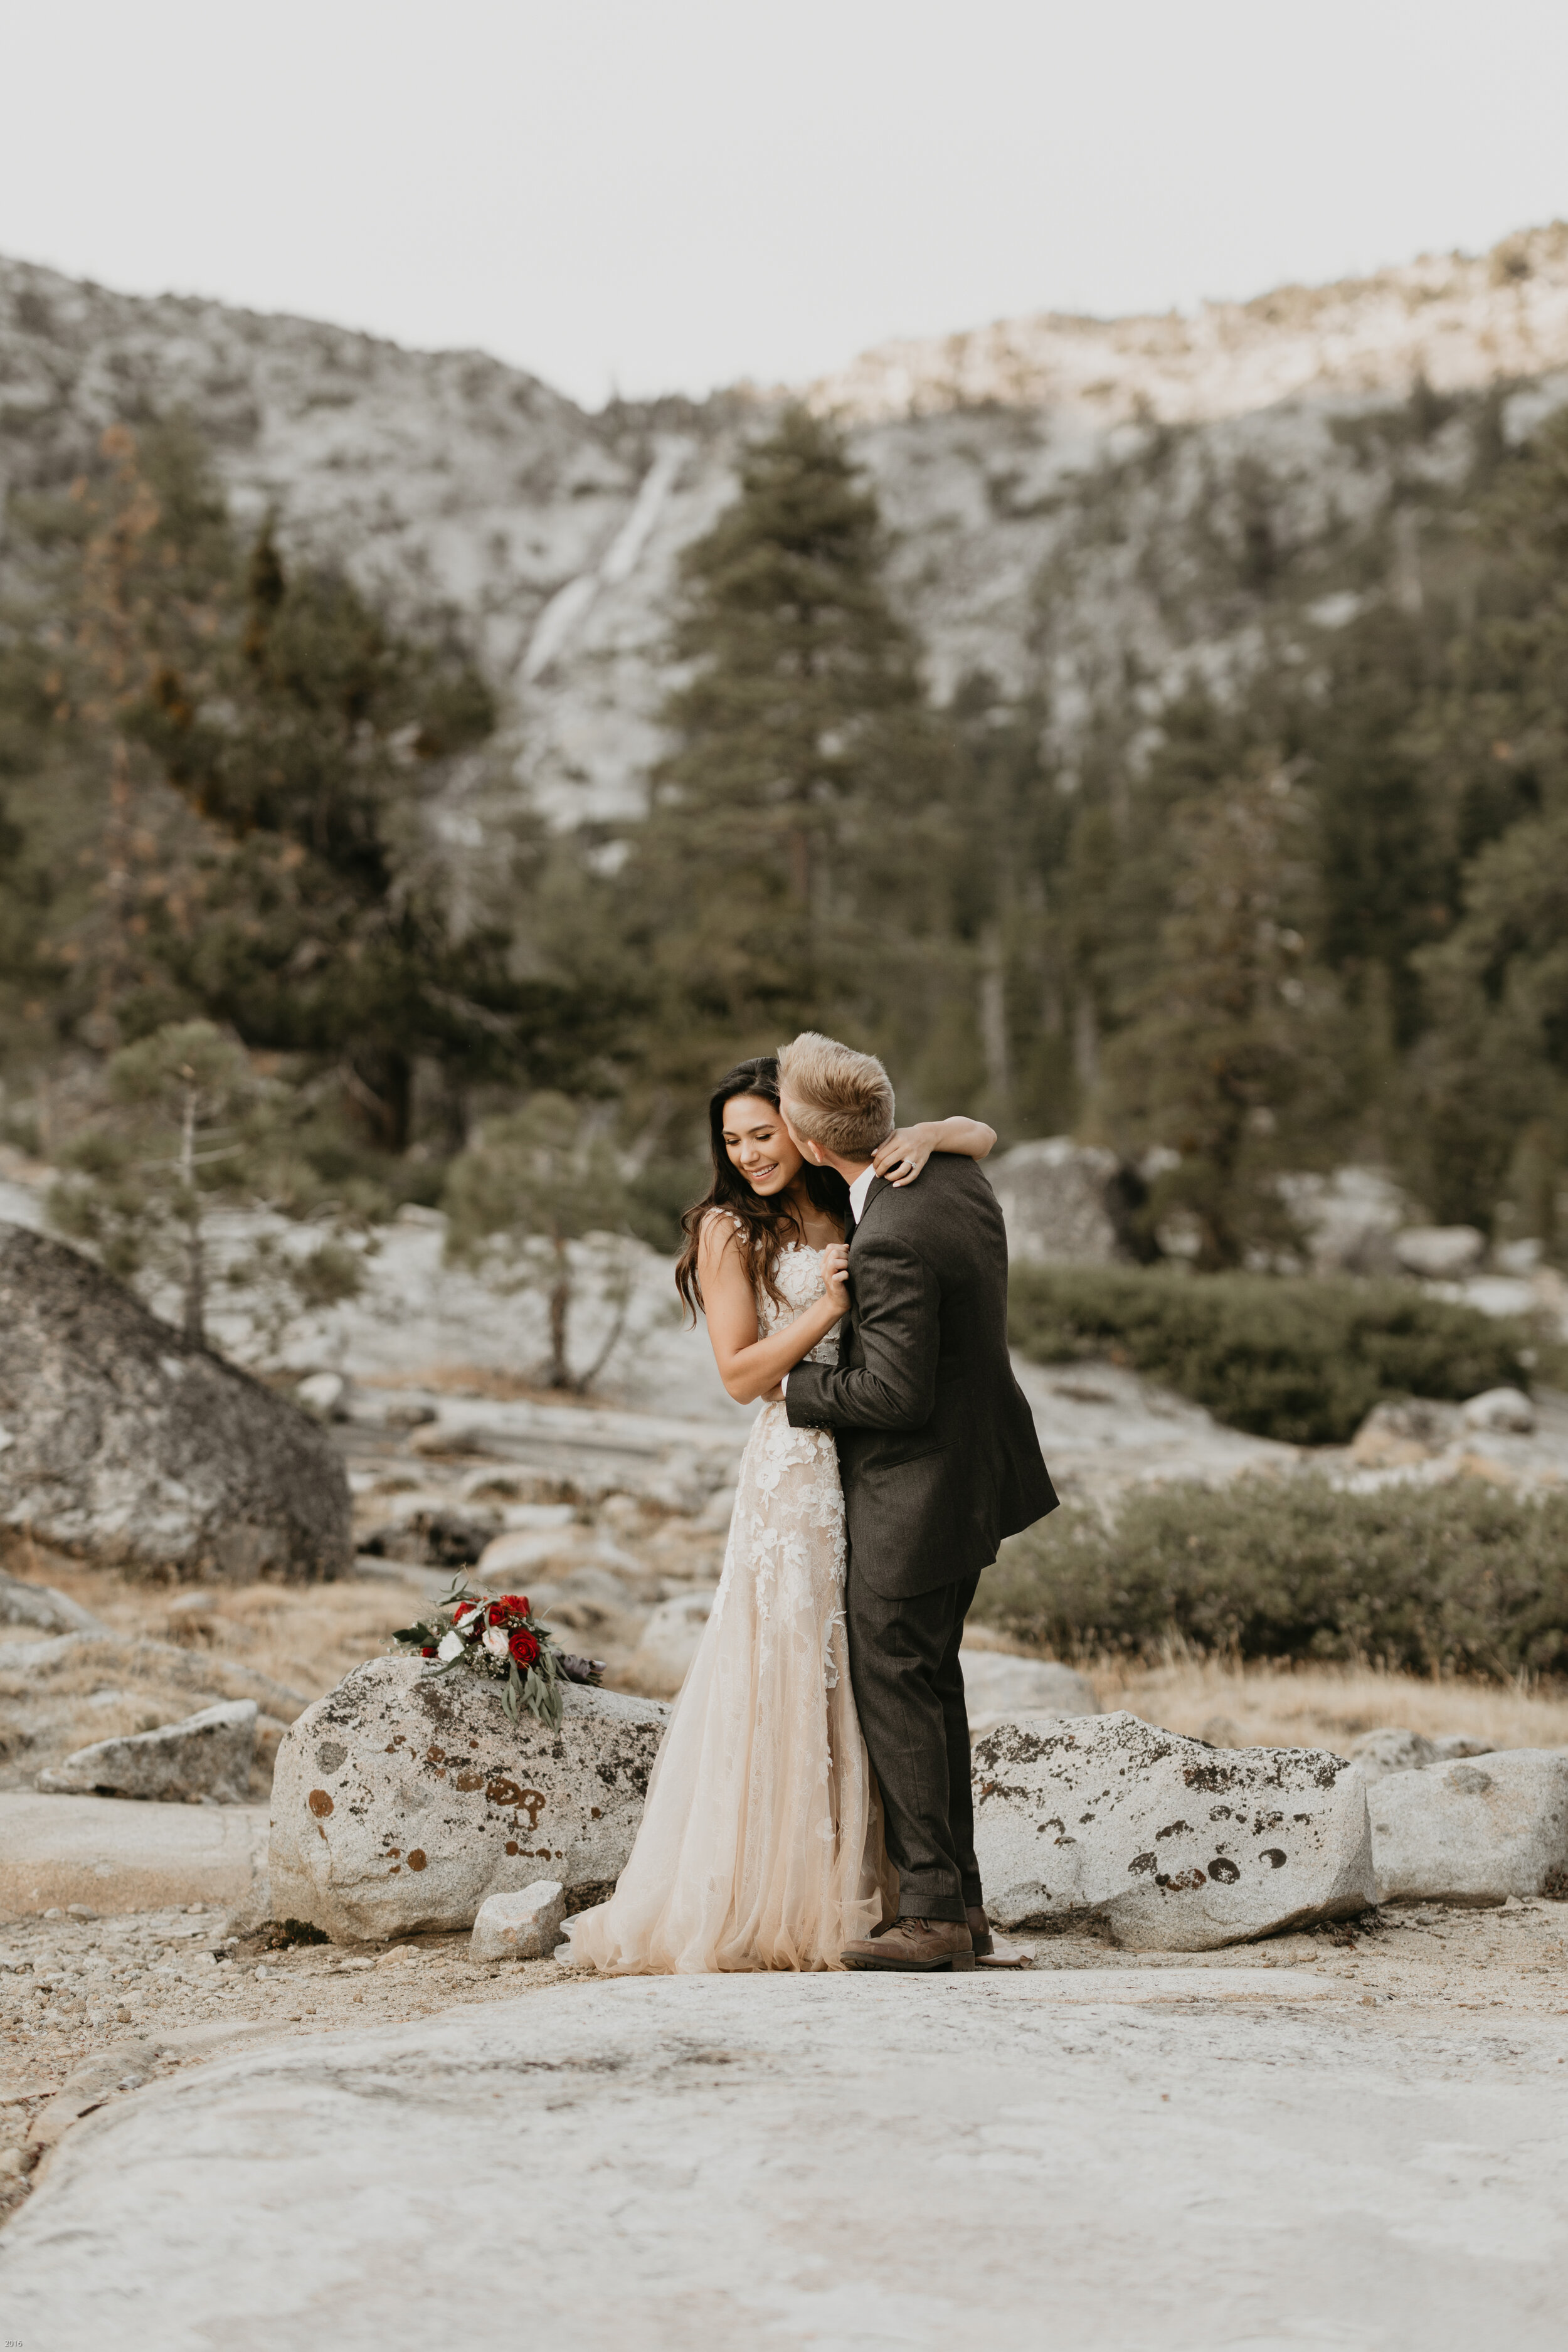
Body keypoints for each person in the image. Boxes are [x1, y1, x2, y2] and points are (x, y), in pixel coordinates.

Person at [564, 1051, 1002, 1973]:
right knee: (798, 1661)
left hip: (867, 1461)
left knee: (871, 1673)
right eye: (732, 1140)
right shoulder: (730, 1227)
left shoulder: (861, 1193)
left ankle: (909, 1891)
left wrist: (924, 1131)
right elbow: (738, 1375)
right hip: (795, 1465)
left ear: (803, 1132)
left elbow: (979, 1135)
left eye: (763, 1133)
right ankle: (789, 1891)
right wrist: (824, 1308)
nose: (750, 1153)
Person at [777, 1032, 1058, 1971]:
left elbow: (895, 1396)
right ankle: (962, 1902)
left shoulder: (889, 1234)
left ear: (815, 1147)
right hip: (978, 1472)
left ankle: (932, 1912)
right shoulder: (952, 1176)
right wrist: (940, 1127)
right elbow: (979, 1135)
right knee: (933, 1681)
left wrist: (800, 1394)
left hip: (918, 1493)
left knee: (898, 1682)